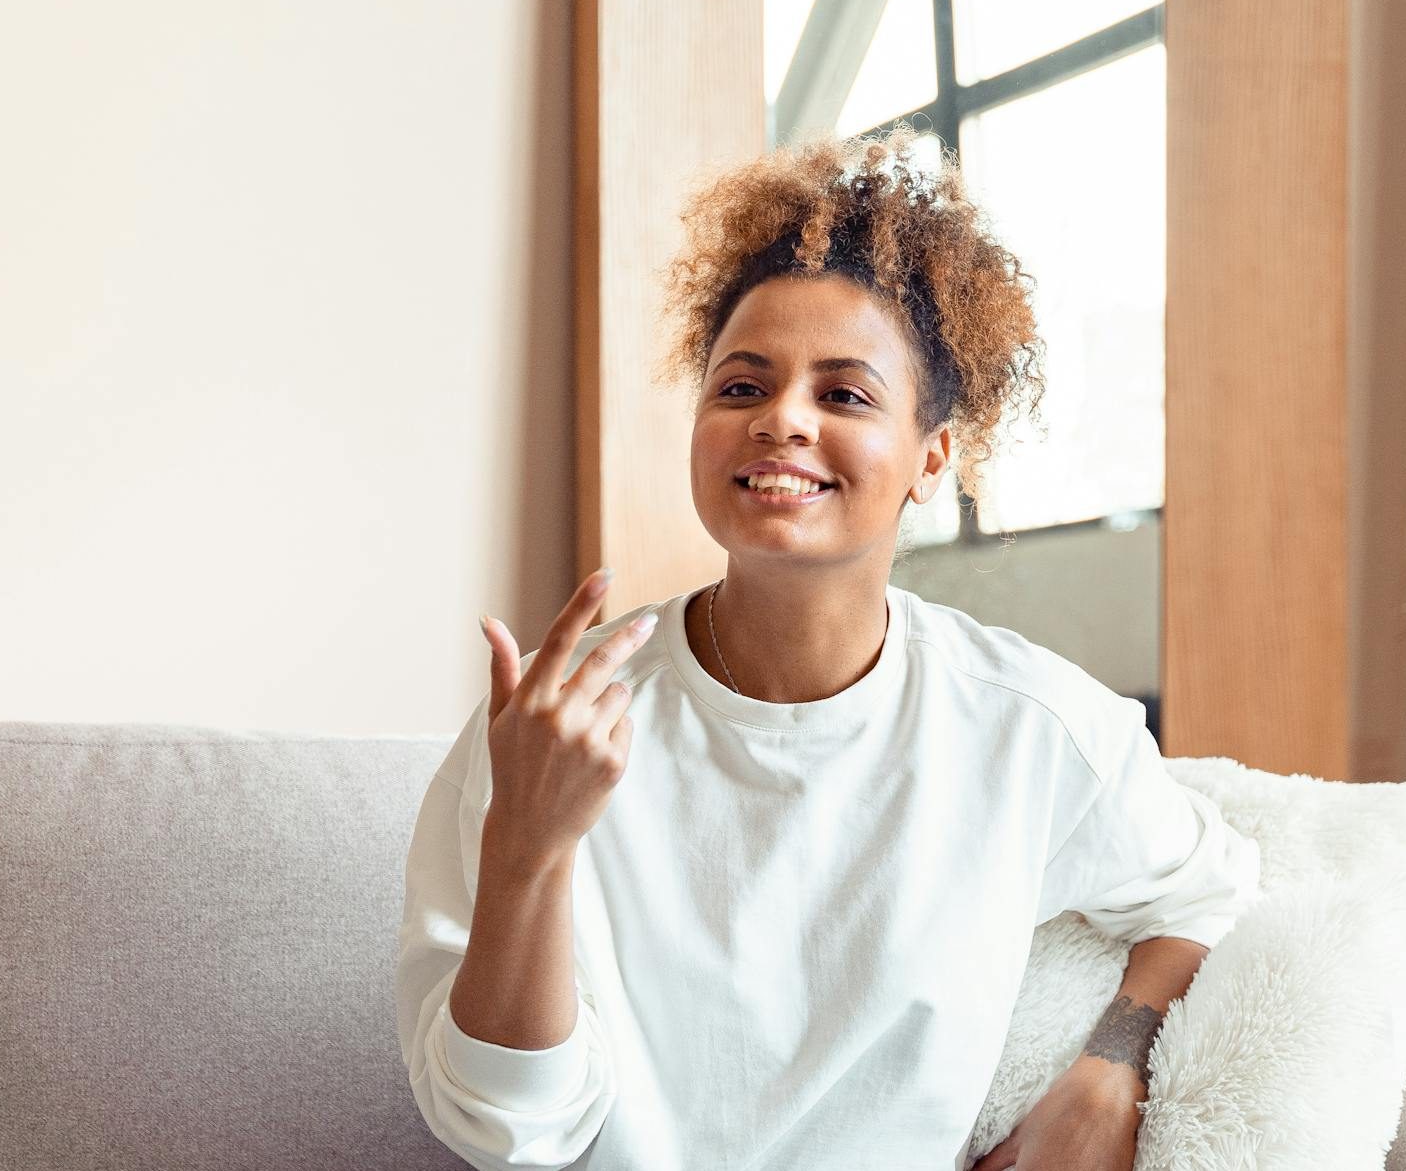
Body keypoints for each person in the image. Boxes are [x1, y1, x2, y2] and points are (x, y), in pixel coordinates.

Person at [395, 126, 1261, 1171]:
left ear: (932, 458)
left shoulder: (1024, 728)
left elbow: (1208, 890)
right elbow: (506, 1129)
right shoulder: (554, 728)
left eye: (843, 394)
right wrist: (528, 849)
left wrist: (1107, 1072)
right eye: (741, 386)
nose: (781, 423)